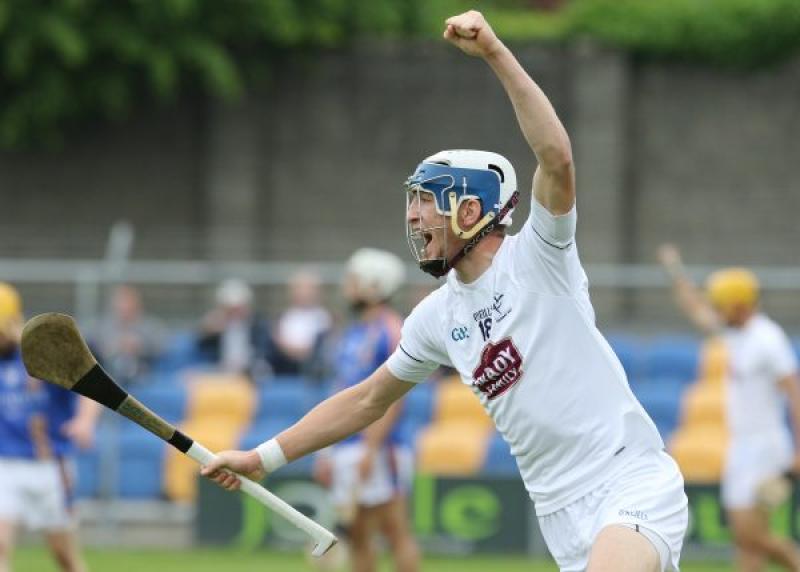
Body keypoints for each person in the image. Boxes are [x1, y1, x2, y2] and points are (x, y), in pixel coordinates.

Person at [202, 11, 688, 572]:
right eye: (412, 201)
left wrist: (495, 53)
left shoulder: (540, 257)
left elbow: (556, 157)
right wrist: (262, 458)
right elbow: (366, 400)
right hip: (560, 515)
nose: (413, 216)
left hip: (629, 479)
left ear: (473, 208)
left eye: (427, 200)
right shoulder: (434, 318)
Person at [658, 244, 800, 571]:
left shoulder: (768, 338)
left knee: (751, 534)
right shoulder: (737, 335)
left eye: (721, 305)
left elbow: (794, 393)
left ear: (739, 305)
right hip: (741, 448)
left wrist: (797, 450)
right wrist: (675, 270)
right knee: (745, 539)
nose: (716, 311)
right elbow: (696, 309)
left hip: (765, 447)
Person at [313, 248, 418, 572]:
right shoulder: (354, 332)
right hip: (349, 447)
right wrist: (327, 452)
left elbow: (396, 396)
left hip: (379, 447)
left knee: (394, 531)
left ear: (375, 285)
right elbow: (341, 394)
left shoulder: (391, 329)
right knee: (359, 536)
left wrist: (370, 449)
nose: (348, 286)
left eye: (355, 280)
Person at [0, 283, 101, 572]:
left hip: (51, 465)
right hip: (4, 464)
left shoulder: (42, 352)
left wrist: (84, 421)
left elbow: (87, 390)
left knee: (65, 557)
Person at [90, 284, 167, 386]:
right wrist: (111, 347)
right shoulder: (102, 327)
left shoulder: (150, 327)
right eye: (121, 304)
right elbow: (92, 347)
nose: (124, 308)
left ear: (137, 305)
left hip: (143, 374)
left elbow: (163, 348)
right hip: (109, 372)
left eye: (128, 303)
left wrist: (140, 347)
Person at [196, 278, 272, 379]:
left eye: (238, 308)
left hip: (250, 370)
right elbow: (201, 347)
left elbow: (263, 352)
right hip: (222, 370)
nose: (235, 312)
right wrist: (207, 330)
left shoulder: (258, 324)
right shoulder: (218, 325)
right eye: (230, 308)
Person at [272, 269, 332, 376]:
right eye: (300, 289)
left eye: (307, 289)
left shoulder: (323, 317)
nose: (304, 293)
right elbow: (280, 343)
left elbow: (320, 346)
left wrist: (302, 351)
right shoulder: (285, 317)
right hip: (287, 369)